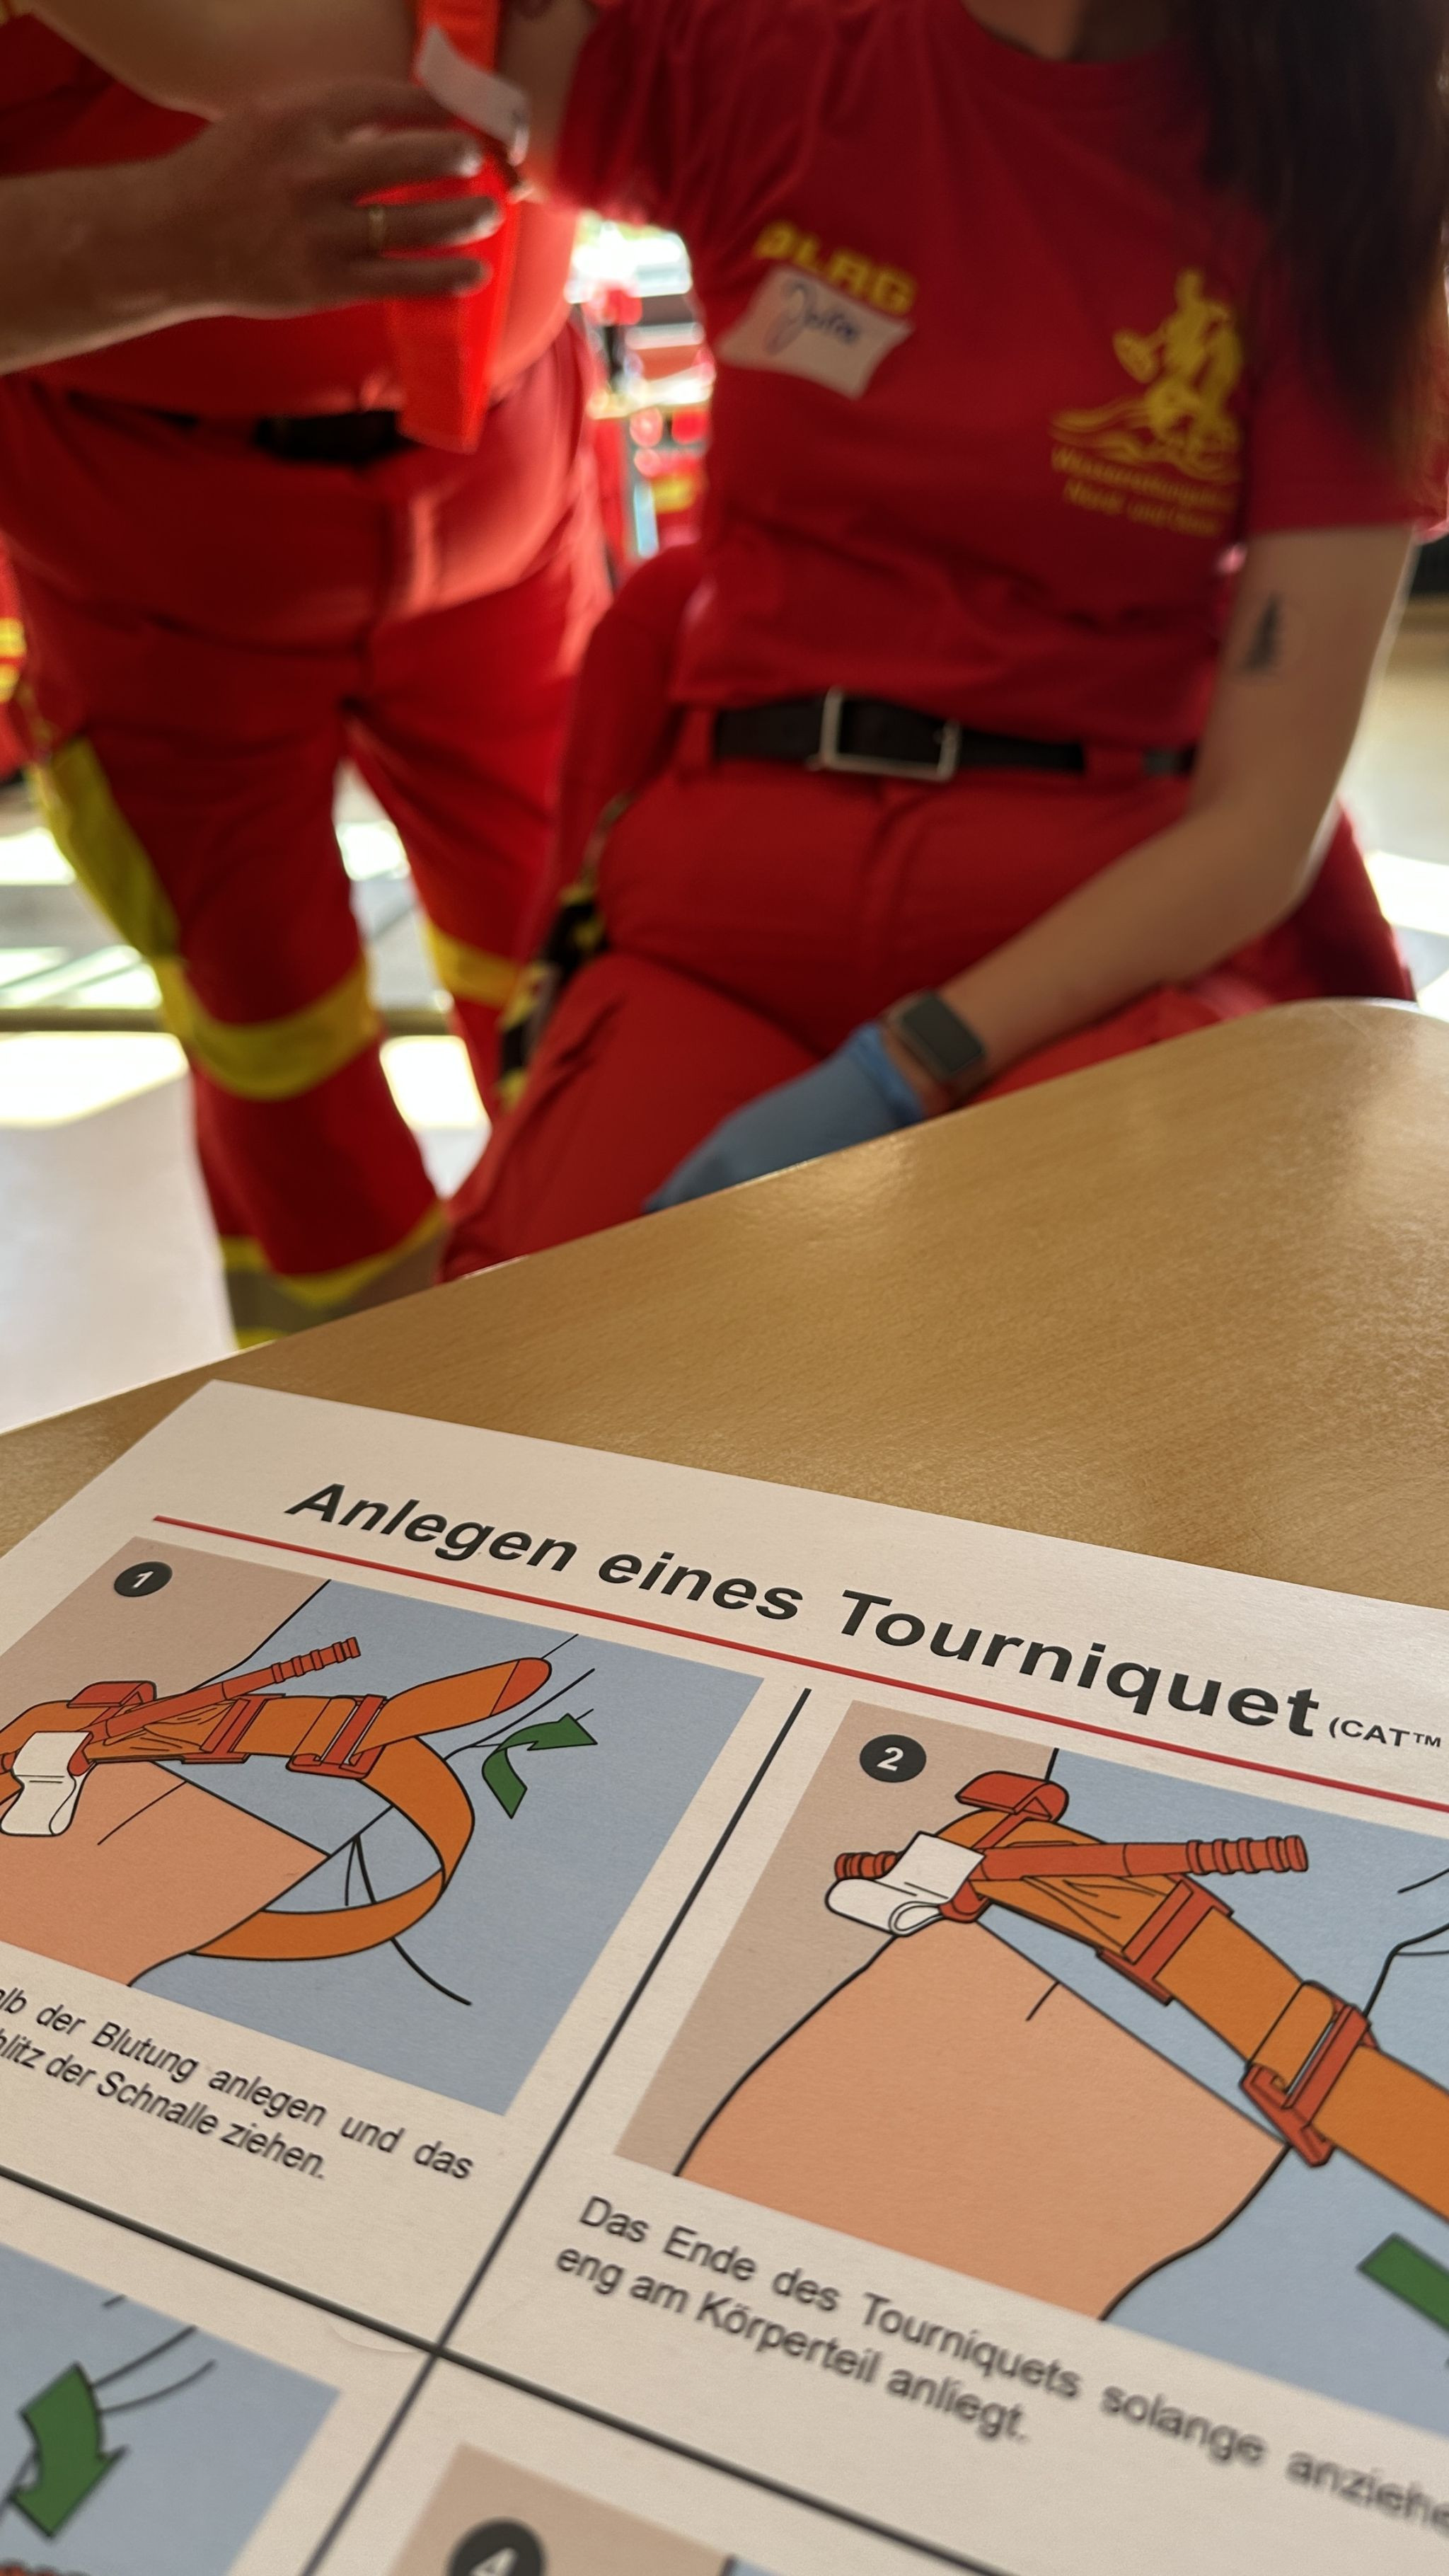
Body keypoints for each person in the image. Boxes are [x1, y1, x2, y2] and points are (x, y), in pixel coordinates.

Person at [438, 0, 1449, 1272]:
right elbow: (357, 46)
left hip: (1090, 943)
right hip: (727, 918)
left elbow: (1263, 826)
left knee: (1082, 1338)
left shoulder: (1334, 183)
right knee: (551, 1346)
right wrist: (181, 248)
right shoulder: (779, 57)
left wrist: (907, 1065)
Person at [1, 0, 605, 1342]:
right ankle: (358, 1403)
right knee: (273, 1025)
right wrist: (157, 236)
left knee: (574, 965)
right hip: (143, 549)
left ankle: (615, 1344)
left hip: (511, 496)